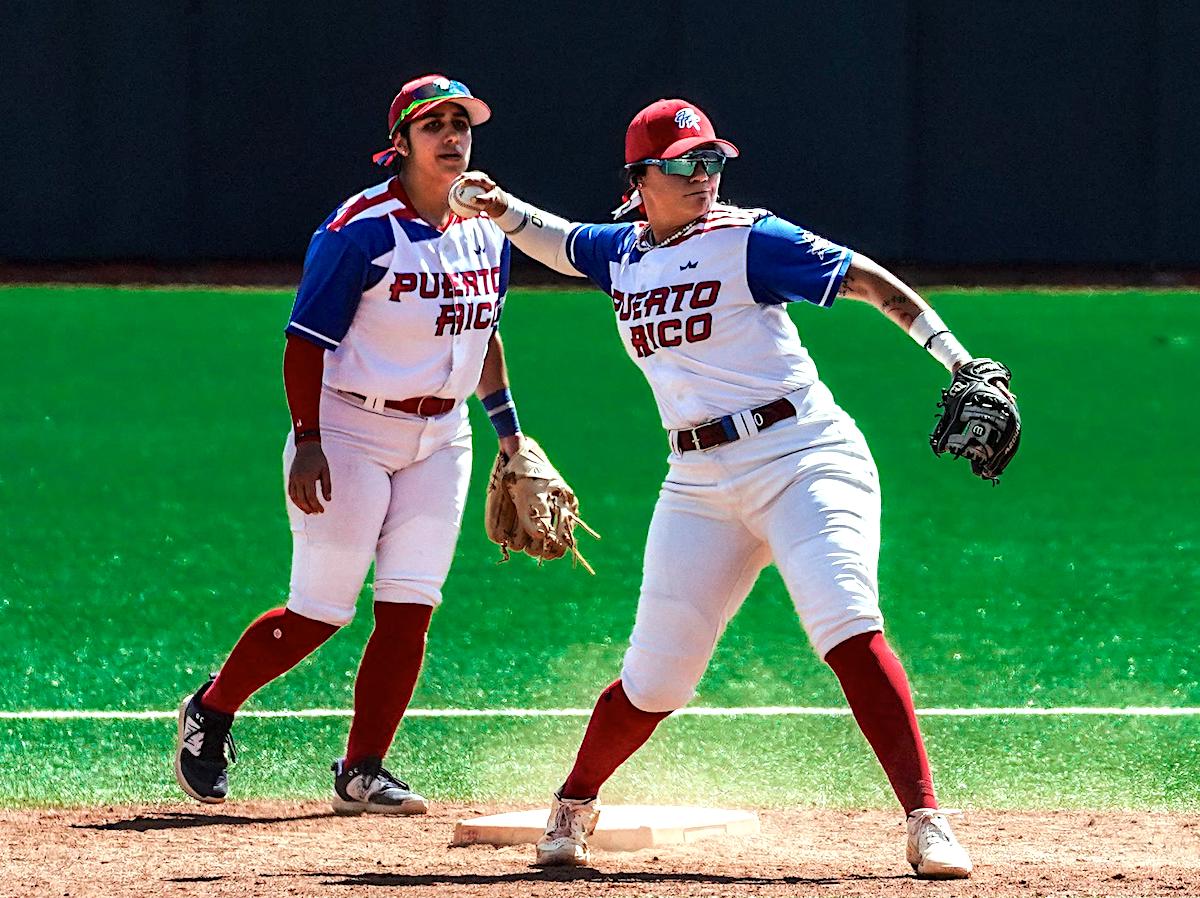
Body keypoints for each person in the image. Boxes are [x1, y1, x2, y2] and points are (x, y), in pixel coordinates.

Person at [454, 98, 999, 877]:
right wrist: (500, 206)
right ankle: (573, 802)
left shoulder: (749, 238)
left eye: (711, 160)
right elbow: (560, 242)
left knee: (847, 623)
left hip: (804, 454)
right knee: (655, 678)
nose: (703, 175)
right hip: (698, 482)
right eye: (684, 163)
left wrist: (959, 360)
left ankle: (926, 820)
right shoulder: (622, 252)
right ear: (640, 179)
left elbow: (866, 280)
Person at [174, 75, 528, 816]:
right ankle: (212, 708)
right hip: (349, 432)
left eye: (461, 123)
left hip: (444, 438)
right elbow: (304, 342)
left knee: (410, 606)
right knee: (320, 610)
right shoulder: (359, 230)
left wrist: (511, 438)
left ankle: (363, 770)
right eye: (433, 125)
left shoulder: (488, 228)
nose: (452, 136)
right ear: (400, 143)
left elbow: (484, 338)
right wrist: (309, 441)